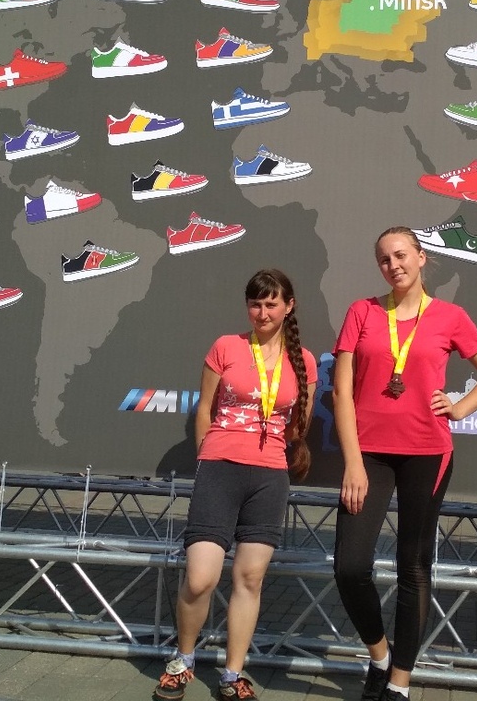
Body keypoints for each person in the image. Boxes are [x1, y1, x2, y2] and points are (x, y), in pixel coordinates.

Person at [332, 227, 477, 701]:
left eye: (401, 255)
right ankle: (379, 656)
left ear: (422, 257)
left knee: (413, 566)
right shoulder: (362, 312)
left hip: (428, 453)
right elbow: (342, 391)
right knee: (350, 567)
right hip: (368, 455)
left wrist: (460, 407)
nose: (394, 265)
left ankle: (400, 682)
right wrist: (352, 462)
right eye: (384, 259)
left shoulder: (450, 316)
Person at [155, 269, 318, 701]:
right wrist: (207, 458)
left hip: (269, 476)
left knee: (249, 579)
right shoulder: (226, 346)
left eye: (271, 304)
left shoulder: (304, 361)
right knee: (200, 578)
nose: (262, 313)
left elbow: (298, 424)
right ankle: (183, 660)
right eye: (255, 304)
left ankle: (232, 674)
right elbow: (204, 409)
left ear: (289, 306)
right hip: (220, 469)